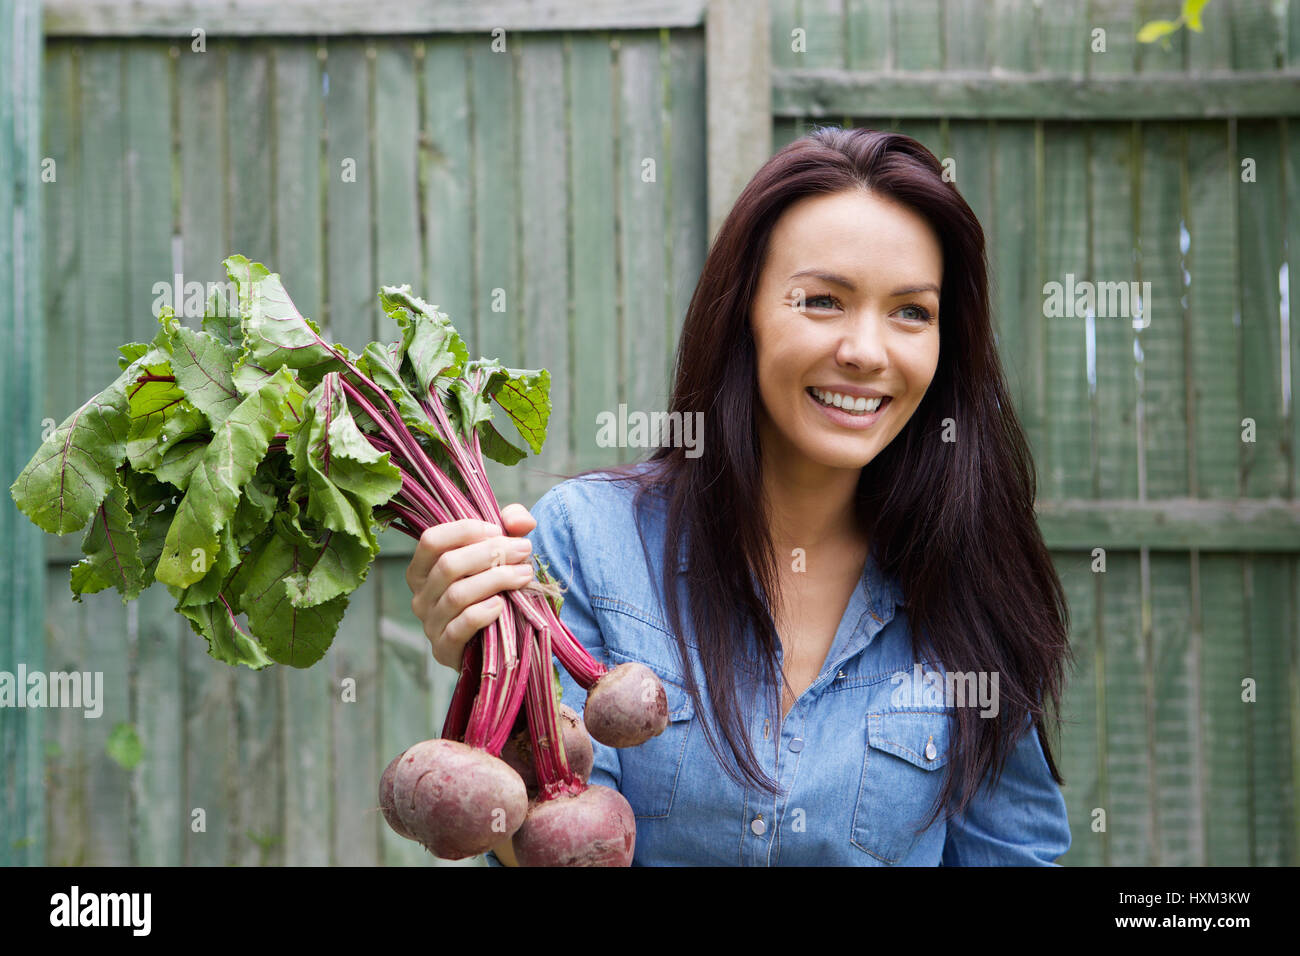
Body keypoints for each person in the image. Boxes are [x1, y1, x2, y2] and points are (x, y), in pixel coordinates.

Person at [405, 126, 1073, 866]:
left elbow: (1013, 853)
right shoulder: (588, 542)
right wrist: (496, 675)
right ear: (744, 313)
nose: (866, 350)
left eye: (911, 311)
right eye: (822, 300)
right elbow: (553, 839)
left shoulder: (971, 580)